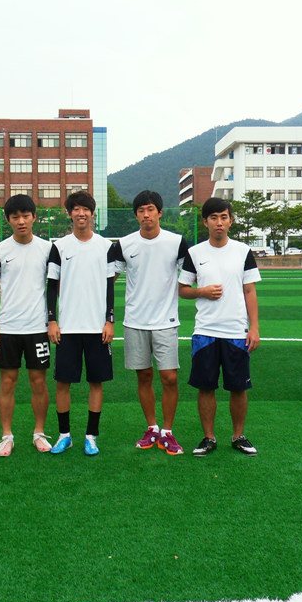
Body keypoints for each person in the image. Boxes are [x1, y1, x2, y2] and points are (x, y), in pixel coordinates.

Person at [178, 197, 261, 457]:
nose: (219, 222)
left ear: (231, 221)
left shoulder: (243, 251)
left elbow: (250, 290)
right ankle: (209, 438)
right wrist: (201, 291)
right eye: (213, 217)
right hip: (205, 332)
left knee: (239, 387)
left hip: (236, 331)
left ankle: (238, 436)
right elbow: (183, 289)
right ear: (205, 222)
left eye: (223, 217)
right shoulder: (195, 253)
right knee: (206, 387)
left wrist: (254, 327)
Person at [107, 190, 189, 455]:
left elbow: (189, 275)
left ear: (160, 212)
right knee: (143, 376)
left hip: (166, 321)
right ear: (136, 215)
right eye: (141, 210)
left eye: (150, 209)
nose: (146, 215)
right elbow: (109, 279)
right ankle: (152, 427)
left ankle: (167, 431)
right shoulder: (124, 244)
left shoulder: (176, 242)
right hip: (135, 321)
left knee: (169, 377)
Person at [46, 190, 115, 456]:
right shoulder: (59, 246)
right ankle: (65, 435)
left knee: (96, 382)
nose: (81, 213)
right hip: (68, 328)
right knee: (62, 382)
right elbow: (51, 286)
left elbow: (110, 286)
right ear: (69, 213)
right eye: (76, 209)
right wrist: (52, 320)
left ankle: (91, 436)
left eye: (86, 209)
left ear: (93, 213)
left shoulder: (106, 246)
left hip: (97, 328)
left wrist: (109, 321)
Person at [0, 194, 54, 456]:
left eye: (26, 216)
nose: (21, 221)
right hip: (8, 328)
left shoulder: (47, 248)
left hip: (37, 327)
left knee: (38, 382)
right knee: (7, 381)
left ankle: (39, 432)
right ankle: (6, 436)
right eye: (15, 217)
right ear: (8, 220)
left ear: (34, 217)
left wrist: (52, 321)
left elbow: (55, 286)